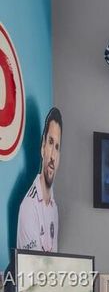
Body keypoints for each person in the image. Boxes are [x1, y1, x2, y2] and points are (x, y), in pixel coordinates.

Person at [17, 108, 61, 252]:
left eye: (57, 147)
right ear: (43, 147)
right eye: (50, 142)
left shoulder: (54, 208)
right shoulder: (29, 206)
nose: (53, 156)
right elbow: (34, 268)